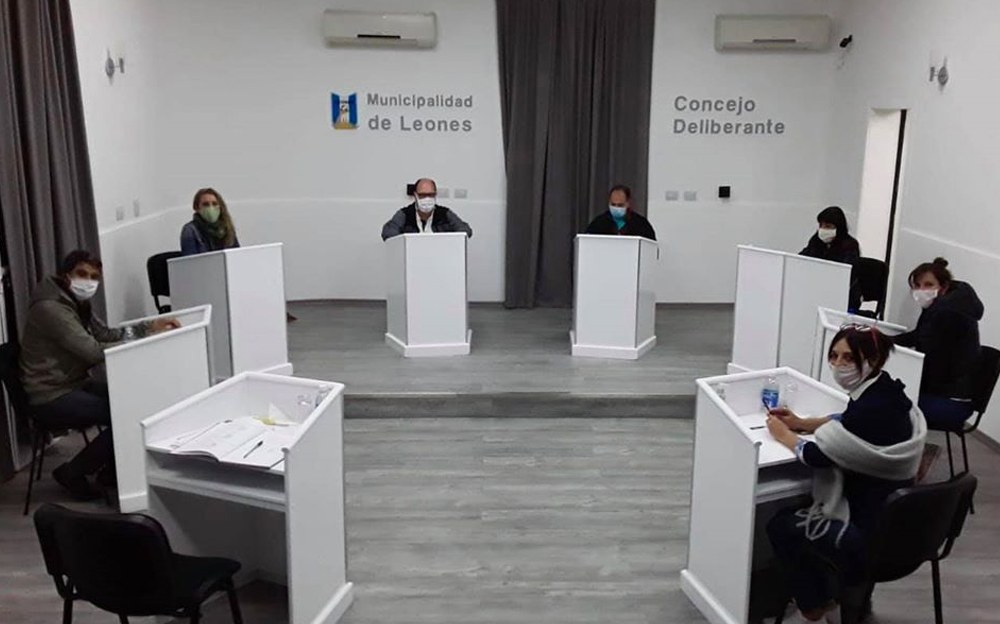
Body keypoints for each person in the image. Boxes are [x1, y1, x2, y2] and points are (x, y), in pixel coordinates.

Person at [765, 325, 925, 623]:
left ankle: (814, 603)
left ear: (873, 359)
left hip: (869, 530)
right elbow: (845, 420)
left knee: (781, 524)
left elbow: (817, 456)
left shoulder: (870, 409)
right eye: (834, 356)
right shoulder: (887, 390)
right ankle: (843, 596)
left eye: (849, 358)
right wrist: (804, 423)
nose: (838, 365)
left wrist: (784, 434)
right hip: (901, 525)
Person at [19, 250, 179, 500]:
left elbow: (105, 334)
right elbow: (93, 351)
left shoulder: (75, 301)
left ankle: (110, 473)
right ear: (66, 275)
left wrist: (148, 328)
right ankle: (72, 472)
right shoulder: (51, 309)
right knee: (124, 415)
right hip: (50, 392)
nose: (88, 281)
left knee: (134, 403)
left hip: (73, 383)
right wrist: (143, 340)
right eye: (82, 274)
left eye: (94, 277)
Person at [893, 258, 983, 430]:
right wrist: (882, 339)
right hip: (944, 392)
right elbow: (919, 336)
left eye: (928, 285)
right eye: (917, 285)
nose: (921, 290)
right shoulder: (943, 306)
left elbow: (929, 352)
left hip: (951, 400)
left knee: (888, 402)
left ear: (943, 287)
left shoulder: (947, 312)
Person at [381, 178, 473, 240]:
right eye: (422, 195)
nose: (427, 198)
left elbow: (466, 231)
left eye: (431, 195)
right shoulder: (405, 214)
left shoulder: (445, 214)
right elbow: (387, 233)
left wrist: (446, 240)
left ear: (435, 195)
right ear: (415, 195)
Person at [180, 187, 240, 255]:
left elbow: (237, 255)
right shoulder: (190, 230)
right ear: (197, 208)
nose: (211, 208)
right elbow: (190, 260)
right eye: (206, 204)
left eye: (214, 204)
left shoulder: (227, 227)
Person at [584, 184, 656, 240]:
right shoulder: (599, 223)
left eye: (620, 205)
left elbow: (650, 246)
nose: (616, 207)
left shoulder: (641, 224)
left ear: (628, 203)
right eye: (613, 204)